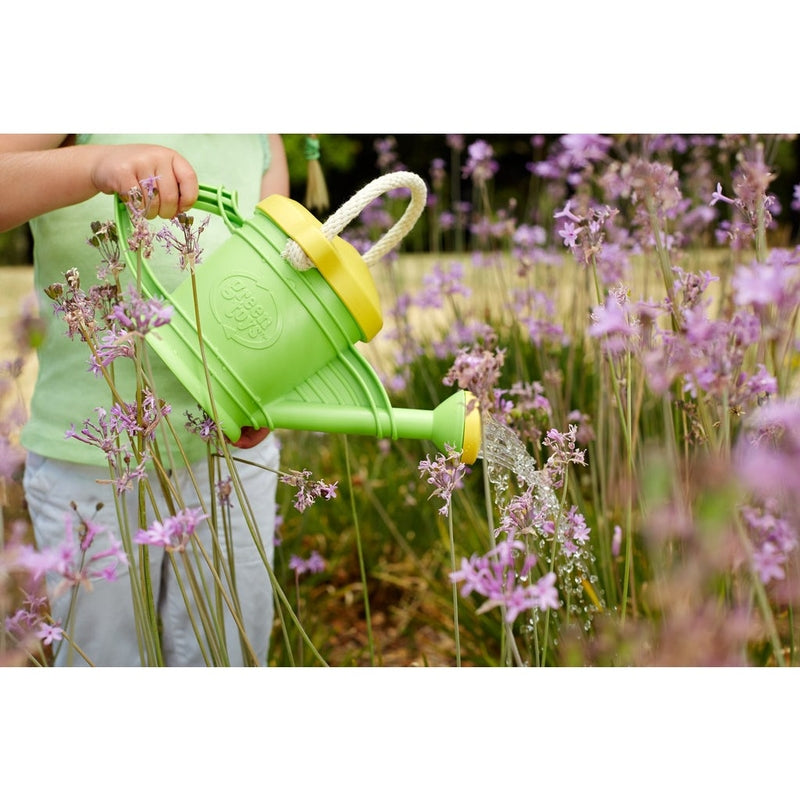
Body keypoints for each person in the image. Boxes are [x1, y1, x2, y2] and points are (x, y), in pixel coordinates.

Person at [0, 134, 289, 666]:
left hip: (232, 454)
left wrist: (267, 387)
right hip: (92, 462)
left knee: (229, 655)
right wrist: (94, 165)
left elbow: (275, 271)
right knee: (100, 660)